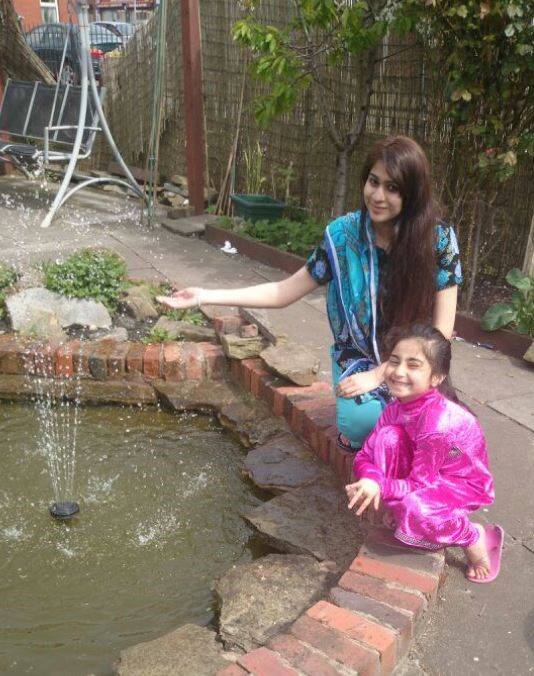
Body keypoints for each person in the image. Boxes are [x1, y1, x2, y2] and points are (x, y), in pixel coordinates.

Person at [157, 135, 463, 450]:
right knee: (363, 424)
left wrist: (385, 371)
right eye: (374, 181)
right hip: (357, 355)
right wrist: (204, 295)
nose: (378, 195)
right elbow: (282, 291)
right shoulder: (343, 238)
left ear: (411, 195)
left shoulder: (438, 241)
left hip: (416, 360)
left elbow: (440, 335)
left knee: (445, 434)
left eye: (393, 188)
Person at [345, 323, 503, 583]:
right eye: (394, 361)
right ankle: (402, 510)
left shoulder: (437, 424)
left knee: (415, 507)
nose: (398, 372)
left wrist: (381, 486)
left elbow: (420, 485)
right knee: (388, 438)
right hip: (427, 470)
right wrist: (371, 480)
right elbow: (366, 455)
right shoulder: (398, 407)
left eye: (413, 365)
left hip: (460, 485)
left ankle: (473, 537)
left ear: (437, 377)